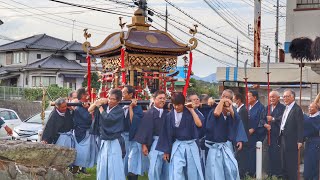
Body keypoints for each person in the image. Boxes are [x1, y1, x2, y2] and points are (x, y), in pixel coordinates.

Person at [156, 92, 204, 180]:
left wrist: (192, 110)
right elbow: (166, 133)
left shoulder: (190, 112)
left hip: (191, 146)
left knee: (191, 173)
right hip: (177, 145)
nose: (176, 107)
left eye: (179, 105)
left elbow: (199, 124)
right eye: (174, 105)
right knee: (176, 172)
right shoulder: (169, 116)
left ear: (183, 103)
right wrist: (166, 151)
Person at [205, 89, 247, 180]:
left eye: (228, 97)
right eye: (223, 96)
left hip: (225, 146)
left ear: (231, 100)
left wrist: (239, 140)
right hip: (213, 147)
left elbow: (237, 122)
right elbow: (216, 113)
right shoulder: (214, 110)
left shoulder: (232, 113)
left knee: (231, 168)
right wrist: (222, 101)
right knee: (216, 172)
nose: (225, 99)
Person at [90, 89, 126, 180]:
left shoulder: (119, 110)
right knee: (103, 163)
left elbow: (108, 119)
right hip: (105, 139)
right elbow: (90, 110)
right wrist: (97, 103)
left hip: (114, 140)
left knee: (114, 165)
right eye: (109, 98)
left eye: (113, 99)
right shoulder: (105, 106)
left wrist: (100, 107)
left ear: (118, 101)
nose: (110, 100)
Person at [134, 90, 169, 180]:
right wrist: (144, 145)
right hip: (155, 143)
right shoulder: (149, 113)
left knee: (166, 168)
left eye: (164, 98)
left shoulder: (167, 113)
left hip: (166, 143)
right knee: (155, 167)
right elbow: (144, 129)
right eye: (160, 98)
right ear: (154, 99)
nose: (162, 100)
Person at [121, 85, 147, 180]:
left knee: (133, 161)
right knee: (123, 161)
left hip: (133, 137)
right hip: (122, 137)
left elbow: (134, 122)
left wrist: (131, 108)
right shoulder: (120, 104)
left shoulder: (137, 107)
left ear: (131, 94)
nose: (122, 94)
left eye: (124, 92)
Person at [279, 89, 303, 180]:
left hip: (292, 141)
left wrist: (300, 140)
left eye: (287, 96)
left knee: (291, 165)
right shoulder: (286, 108)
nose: (285, 98)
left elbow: (300, 125)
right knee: (284, 164)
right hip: (283, 139)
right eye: (284, 96)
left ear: (292, 97)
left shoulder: (297, 109)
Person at [73, 88, 97, 173]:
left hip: (84, 132)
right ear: (83, 95)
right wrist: (90, 110)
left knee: (84, 151)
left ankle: (81, 168)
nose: (88, 95)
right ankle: (75, 170)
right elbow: (88, 118)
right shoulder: (79, 107)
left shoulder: (82, 105)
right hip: (81, 132)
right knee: (80, 152)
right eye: (86, 94)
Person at [262, 90, 285, 177]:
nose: (271, 99)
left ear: (278, 98)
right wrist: (265, 124)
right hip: (268, 135)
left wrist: (273, 119)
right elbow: (262, 119)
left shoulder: (282, 108)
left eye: (273, 97)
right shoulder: (267, 107)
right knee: (268, 154)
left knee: (277, 154)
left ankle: (278, 173)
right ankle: (269, 173)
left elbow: (283, 119)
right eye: (270, 97)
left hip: (277, 135)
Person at [247, 90, 266, 176]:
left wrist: (254, 128)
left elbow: (261, 120)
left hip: (257, 134)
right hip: (248, 134)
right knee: (249, 153)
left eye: (249, 96)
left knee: (254, 153)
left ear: (255, 97)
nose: (247, 98)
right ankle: (249, 170)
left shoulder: (261, 107)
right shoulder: (248, 107)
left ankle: (254, 172)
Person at [188, 93, 206, 173]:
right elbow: (199, 124)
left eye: (197, 99)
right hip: (194, 140)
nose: (196, 101)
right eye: (194, 100)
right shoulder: (190, 112)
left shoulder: (199, 110)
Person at [233, 92, 249, 178]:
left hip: (242, 139)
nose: (233, 101)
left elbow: (242, 126)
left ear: (238, 100)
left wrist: (241, 139)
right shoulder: (238, 109)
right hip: (237, 138)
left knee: (241, 159)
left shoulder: (243, 110)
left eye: (234, 100)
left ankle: (241, 176)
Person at [303, 102, 320, 180]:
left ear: (317, 109)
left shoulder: (318, 117)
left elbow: (311, 124)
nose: (309, 109)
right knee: (307, 162)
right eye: (309, 107)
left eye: (311, 107)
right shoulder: (311, 116)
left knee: (313, 162)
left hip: (315, 142)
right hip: (309, 141)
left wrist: (303, 115)